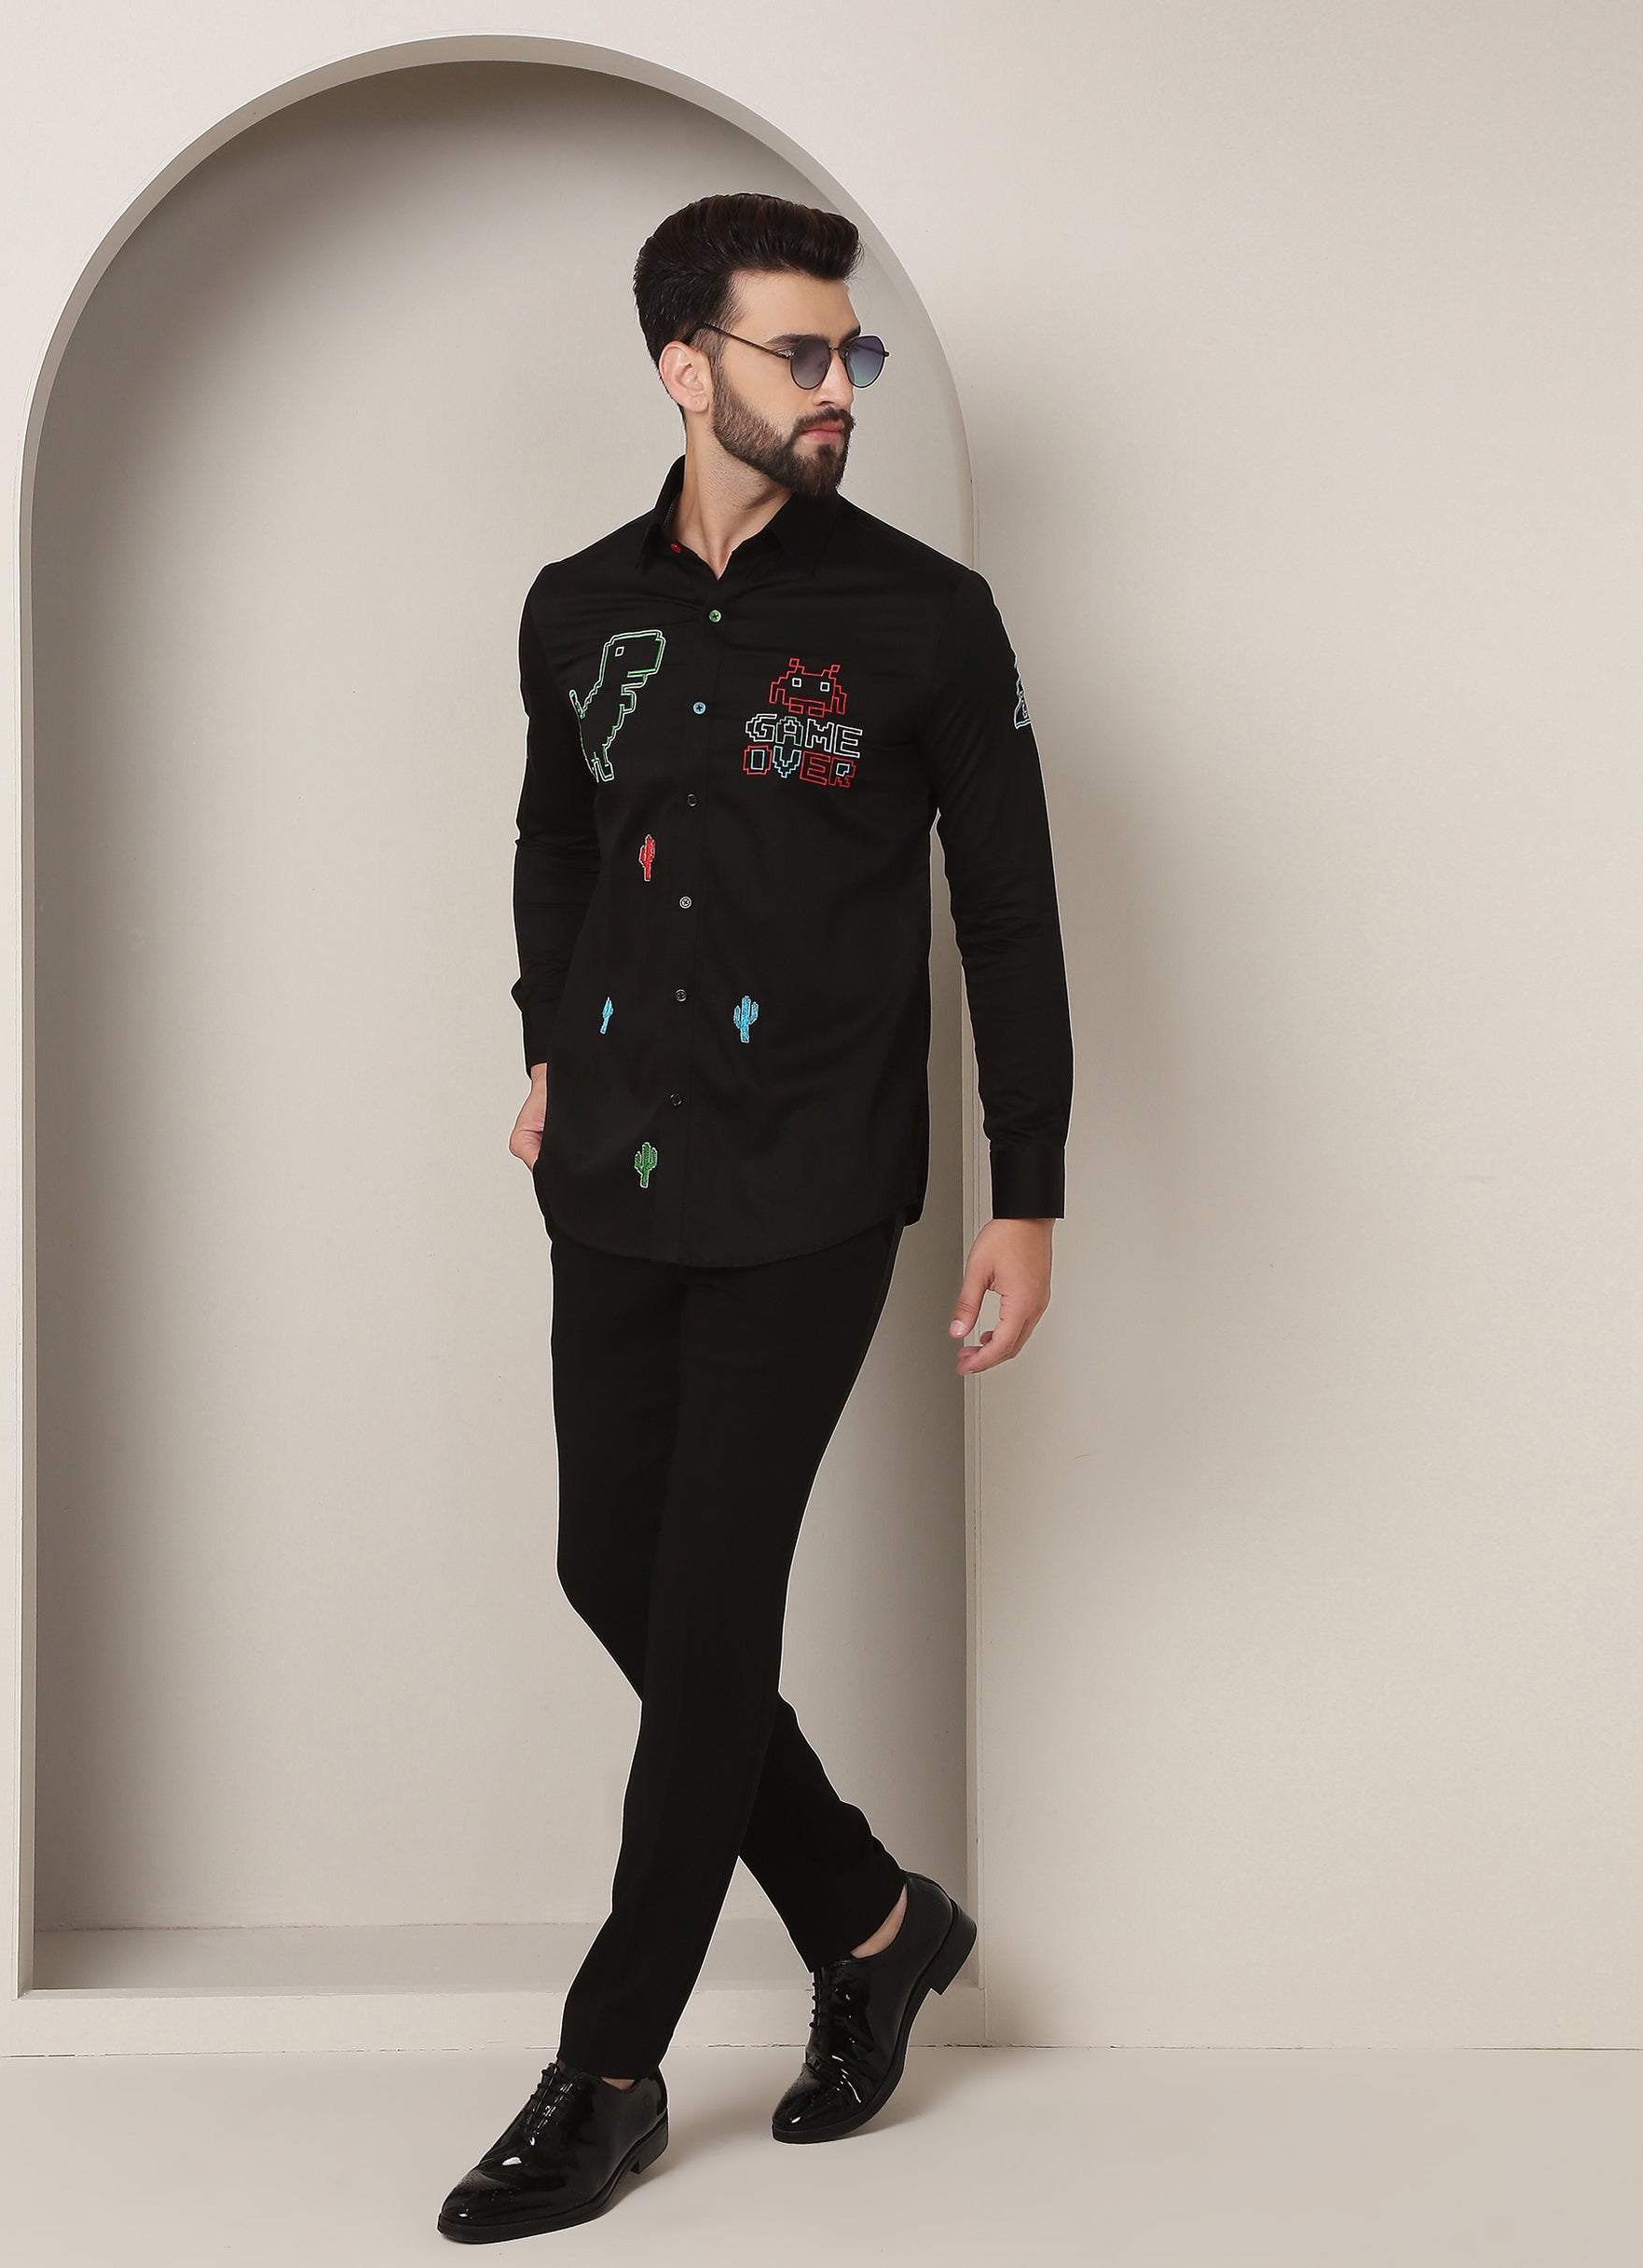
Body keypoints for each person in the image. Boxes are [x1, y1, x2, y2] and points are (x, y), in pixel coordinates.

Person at [437, 191, 1072, 2246]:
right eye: (798, 353)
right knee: (607, 1561)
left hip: (814, 1173)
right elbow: (554, 842)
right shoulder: (571, 607)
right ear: (680, 366)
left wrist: (1027, 1189)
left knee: (708, 1602)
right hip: (615, 1160)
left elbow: (1007, 912)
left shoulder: (925, 617)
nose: (836, 389)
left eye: (847, 354)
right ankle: (876, 1920)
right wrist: (548, 1039)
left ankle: (609, 2066)